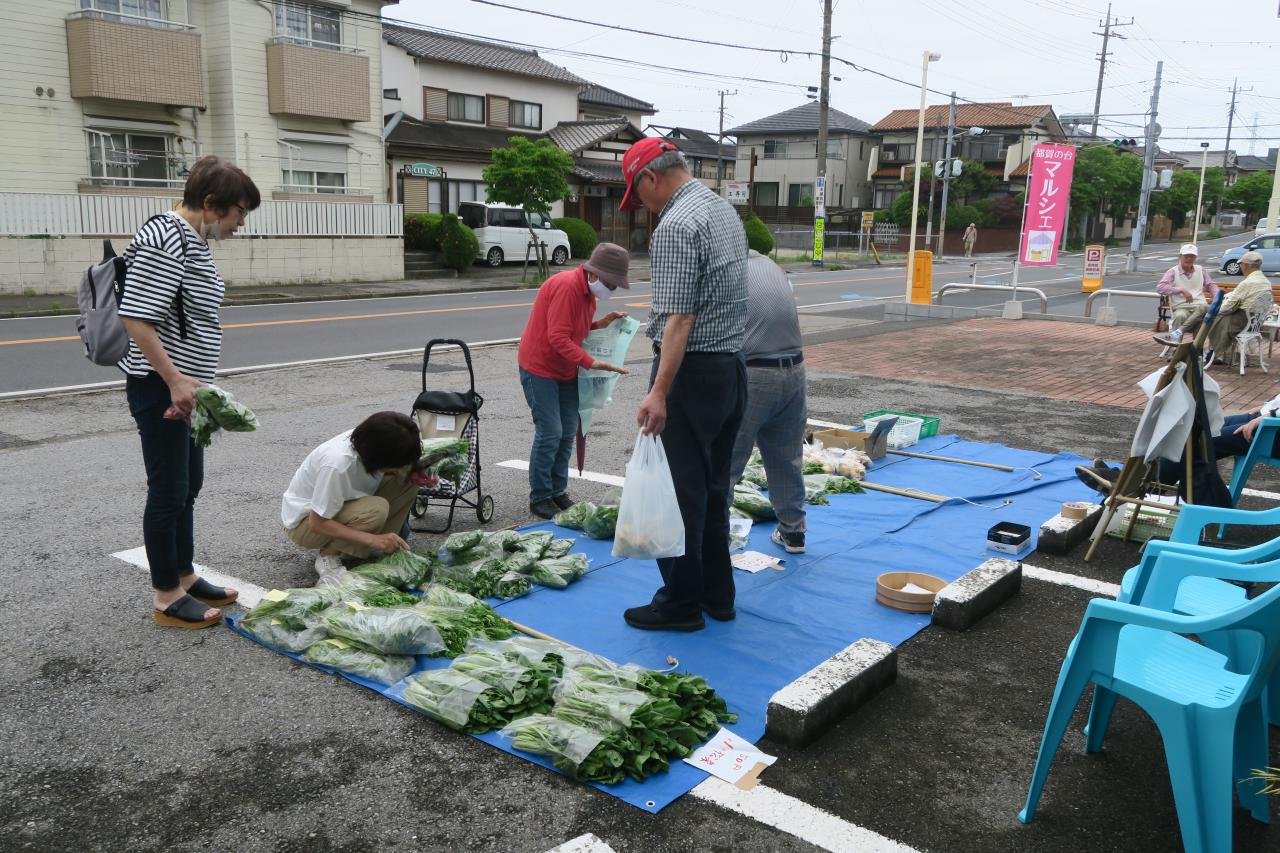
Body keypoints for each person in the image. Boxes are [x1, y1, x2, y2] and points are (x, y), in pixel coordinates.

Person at [119, 155, 260, 629]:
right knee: (169, 490)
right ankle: (165, 595)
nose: (242, 222)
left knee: (189, 487)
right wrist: (175, 380)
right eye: (240, 211)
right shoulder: (166, 236)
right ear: (212, 203)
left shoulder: (193, 239)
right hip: (162, 389)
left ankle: (184, 572)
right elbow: (136, 316)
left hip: (188, 392)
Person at [618, 137, 748, 633]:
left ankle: (680, 603)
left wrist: (659, 391)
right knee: (714, 489)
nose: (643, 207)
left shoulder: (676, 224)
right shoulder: (721, 209)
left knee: (680, 495)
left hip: (691, 373)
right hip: (731, 368)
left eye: (638, 195)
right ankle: (719, 595)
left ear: (650, 177)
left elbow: (679, 320)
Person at [517, 242, 631, 519]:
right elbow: (557, 337)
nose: (611, 289)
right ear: (593, 274)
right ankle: (540, 495)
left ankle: (557, 490)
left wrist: (601, 324)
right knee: (550, 431)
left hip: (566, 368)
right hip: (540, 366)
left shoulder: (588, 293)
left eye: (615, 285)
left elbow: (574, 328)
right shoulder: (568, 287)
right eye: (610, 283)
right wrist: (592, 362)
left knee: (568, 430)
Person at [282, 412, 437, 580]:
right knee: (376, 510)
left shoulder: (373, 440)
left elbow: (398, 467)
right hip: (304, 525)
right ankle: (328, 556)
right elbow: (317, 523)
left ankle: (379, 546)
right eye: (394, 464)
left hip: (342, 505)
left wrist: (412, 470)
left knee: (408, 481)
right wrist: (372, 539)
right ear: (380, 459)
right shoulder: (337, 465)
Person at [728, 250, 807, 554]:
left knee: (728, 459)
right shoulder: (773, 267)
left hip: (756, 373)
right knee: (786, 457)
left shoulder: (730, 271)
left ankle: (715, 540)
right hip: (795, 371)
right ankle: (794, 532)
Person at [1204, 251, 1270, 366]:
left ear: (1246, 265)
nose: (1240, 266)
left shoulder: (1248, 282)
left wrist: (1212, 311)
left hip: (1243, 320)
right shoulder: (1265, 281)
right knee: (1220, 318)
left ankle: (1214, 352)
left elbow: (1228, 305)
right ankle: (1218, 351)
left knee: (1214, 320)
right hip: (1255, 322)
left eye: (1241, 264)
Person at [1152, 244, 1219, 347]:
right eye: (1186, 256)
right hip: (1181, 307)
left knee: (1204, 310)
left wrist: (1217, 297)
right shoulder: (1173, 271)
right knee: (1180, 316)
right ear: (1180, 256)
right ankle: (1176, 349)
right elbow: (1160, 288)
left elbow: (1211, 285)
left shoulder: (1201, 270)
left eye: (1192, 256)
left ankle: (1194, 349)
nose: (1189, 258)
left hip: (1199, 305)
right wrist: (1181, 290)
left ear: (1195, 258)